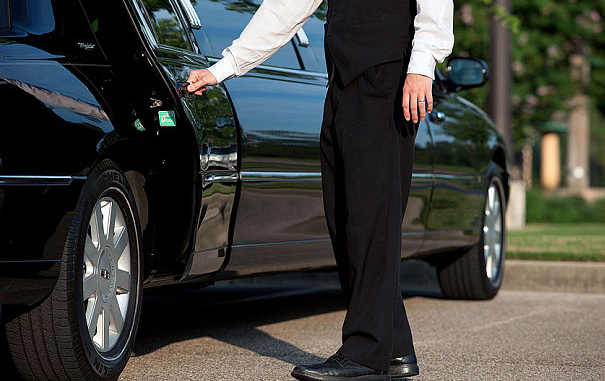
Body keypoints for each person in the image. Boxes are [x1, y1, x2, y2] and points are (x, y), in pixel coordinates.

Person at [188, 1, 454, 380]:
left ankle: (366, 351)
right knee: (346, 217)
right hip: (344, 83)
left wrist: (423, 64)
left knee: (371, 218)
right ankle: (394, 347)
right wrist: (224, 69)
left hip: (388, 79)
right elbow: (285, 8)